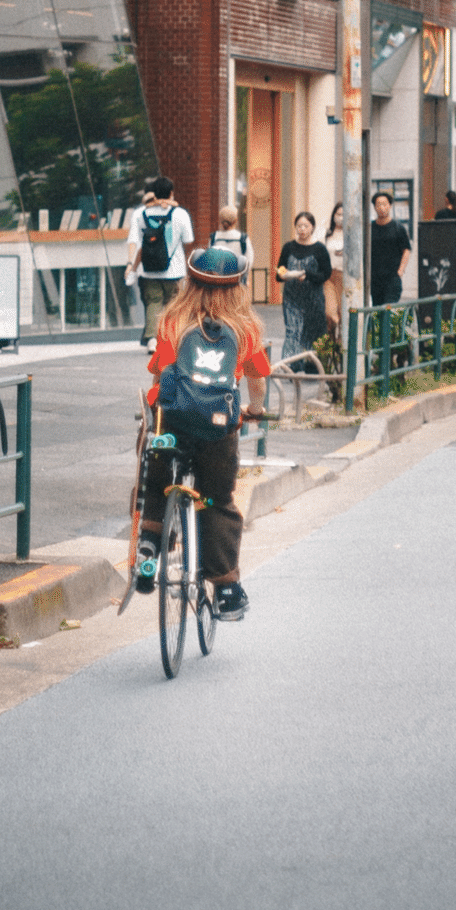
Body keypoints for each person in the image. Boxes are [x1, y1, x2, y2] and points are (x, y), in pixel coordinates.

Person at [136, 247, 271, 621]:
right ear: (237, 286)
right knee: (216, 500)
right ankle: (226, 587)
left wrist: (157, 407)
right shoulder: (244, 328)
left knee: (156, 475)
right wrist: (254, 412)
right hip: (217, 428)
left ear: (189, 282)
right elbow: (257, 384)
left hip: (172, 421)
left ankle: (149, 541)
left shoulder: (173, 320)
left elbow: (159, 375)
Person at [126, 176, 194, 352]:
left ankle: (152, 341)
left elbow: (135, 241)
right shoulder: (180, 214)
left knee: (153, 303)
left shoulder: (140, 214)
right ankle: (172, 340)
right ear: (171, 193)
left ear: (153, 194)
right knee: (174, 305)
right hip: (175, 270)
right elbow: (189, 241)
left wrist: (131, 266)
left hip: (147, 270)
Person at [276, 211, 331, 361]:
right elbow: (280, 269)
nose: (302, 229)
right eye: (299, 226)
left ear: (312, 227)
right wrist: (282, 274)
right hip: (291, 298)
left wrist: (308, 275)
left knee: (313, 332)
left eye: (305, 226)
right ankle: (290, 365)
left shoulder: (319, 248)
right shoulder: (288, 247)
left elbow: (326, 274)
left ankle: (313, 365)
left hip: (313, 298)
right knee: (292, 331)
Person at [370, 191, 411, 306]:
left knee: (387, 309)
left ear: (390, 206)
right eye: (378, 204)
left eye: (384, 204)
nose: (382, 207)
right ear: (374, 207)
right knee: (377, 311)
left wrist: (400, 271)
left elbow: (406, 250)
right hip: (375, 279)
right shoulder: (370, 228)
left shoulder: (398, 228)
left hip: (392, 278)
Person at [208, 204, 253, 286]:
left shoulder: (214, 238)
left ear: (220, 220)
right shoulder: (242, 238)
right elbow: (248, 261)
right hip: (237, 281)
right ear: (236, 220)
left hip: (218, 282)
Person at [323, 203, 344, 336]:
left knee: (344, 312)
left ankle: (341, 346)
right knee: (330, 313)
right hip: (329, 275)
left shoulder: (352, 234)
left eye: (344, 215)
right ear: (333, 215)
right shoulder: (327, 233)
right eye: (338, 214)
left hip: (344, 275)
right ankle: (330, 341)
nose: (341, 217)